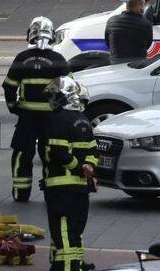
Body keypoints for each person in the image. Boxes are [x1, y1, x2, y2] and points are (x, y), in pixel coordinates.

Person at [3, 17, 69, 202]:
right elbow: (68, 88)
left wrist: (13, 107)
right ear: (52, 35)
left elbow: (8, 86)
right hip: (51, 117)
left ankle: (21, 193)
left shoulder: (22, 58)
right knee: (51, 154)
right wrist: (60, 111)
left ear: (30, 35)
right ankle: (52, 192)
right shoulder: (58, 59)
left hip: (27, 117)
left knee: (22, 154)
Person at [42, 77, 97, 271]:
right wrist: (87, 168)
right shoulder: (84, 121)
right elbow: (93, 152)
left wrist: (77, 167)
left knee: (62, 229)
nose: (52, 100)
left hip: (60, 187)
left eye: (55, 96)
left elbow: (58, 152)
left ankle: (66, 266)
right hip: (80, 188)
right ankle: (75, 263)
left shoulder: (57, 120)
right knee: (74, 229)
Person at [105, 0, 153, 64]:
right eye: (143, 5)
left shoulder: (111, 21)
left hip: (116, 62)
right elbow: (148, 44)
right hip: (137, 63)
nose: (143, 8)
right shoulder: (146, 23)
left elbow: (108, 41)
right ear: (139, 6)